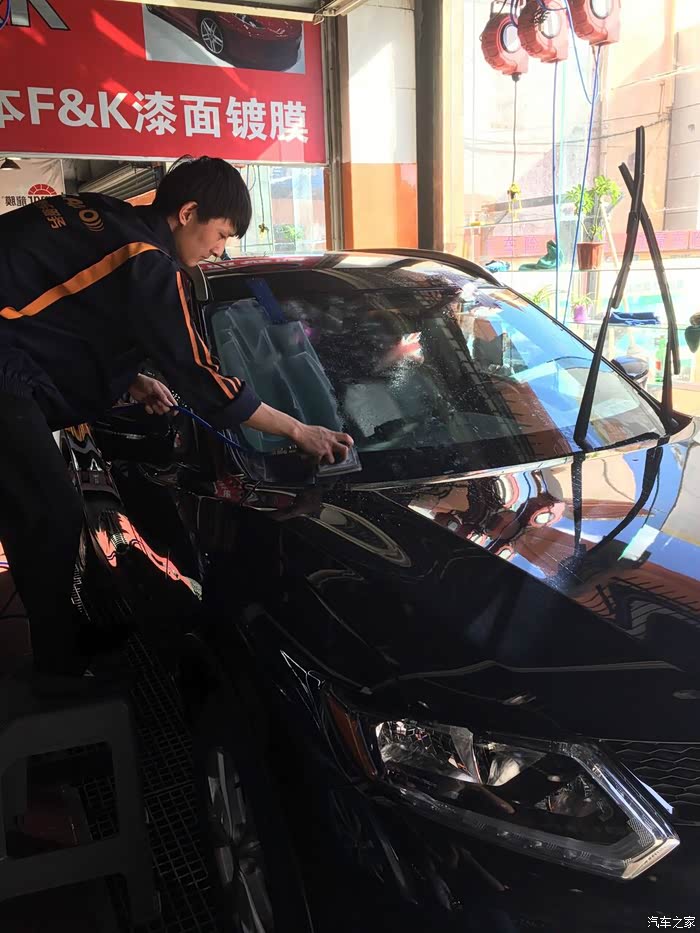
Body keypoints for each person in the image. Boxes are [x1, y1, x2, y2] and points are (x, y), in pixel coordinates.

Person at [0, 156, 353, 676]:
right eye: (221, 234)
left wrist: (133, 379)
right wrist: (300, 430)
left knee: (36, 508)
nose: (219, 250)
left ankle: (61, 642)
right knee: (48, 511)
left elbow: (73, 313)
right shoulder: (150, 263)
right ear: (188, 213)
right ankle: (60, 666)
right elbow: (204, 381)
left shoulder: (108, 217)